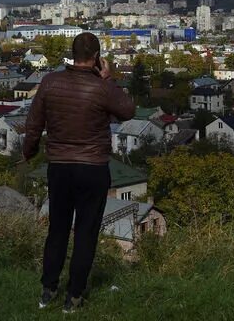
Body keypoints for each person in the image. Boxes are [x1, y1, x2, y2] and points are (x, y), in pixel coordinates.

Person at [22, 31, 136, 313]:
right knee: (86, 232)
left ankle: (48, 289)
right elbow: (128, 111)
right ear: (96, 58)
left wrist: (29, 152)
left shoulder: (50, 82)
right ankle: (73, 296)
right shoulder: (102, 87)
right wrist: (108, 78)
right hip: (93, 168)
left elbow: (34, 123)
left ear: (72, 55)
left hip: (59, 166)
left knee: (57, 229)